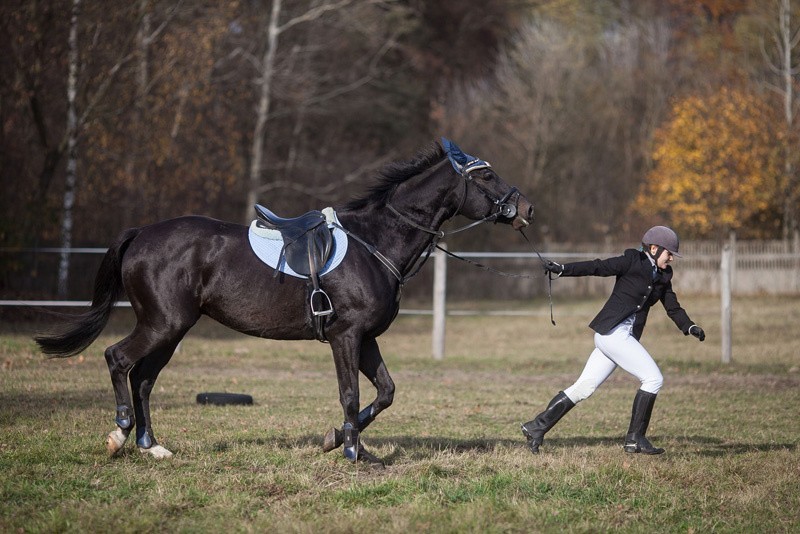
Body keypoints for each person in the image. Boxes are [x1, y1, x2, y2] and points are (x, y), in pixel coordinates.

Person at [521, 226, 705, 455]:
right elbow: (598, 266)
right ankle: (635, 439)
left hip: (621, 337)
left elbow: (672, 306)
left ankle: (535, 427)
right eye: (669, 253)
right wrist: (562, 269)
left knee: (584, 387)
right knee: (653, 379)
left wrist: (689, 326)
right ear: (654, 249)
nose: (671, 259)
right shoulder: (631, 260)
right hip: (612, 333)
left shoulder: (664, 275)